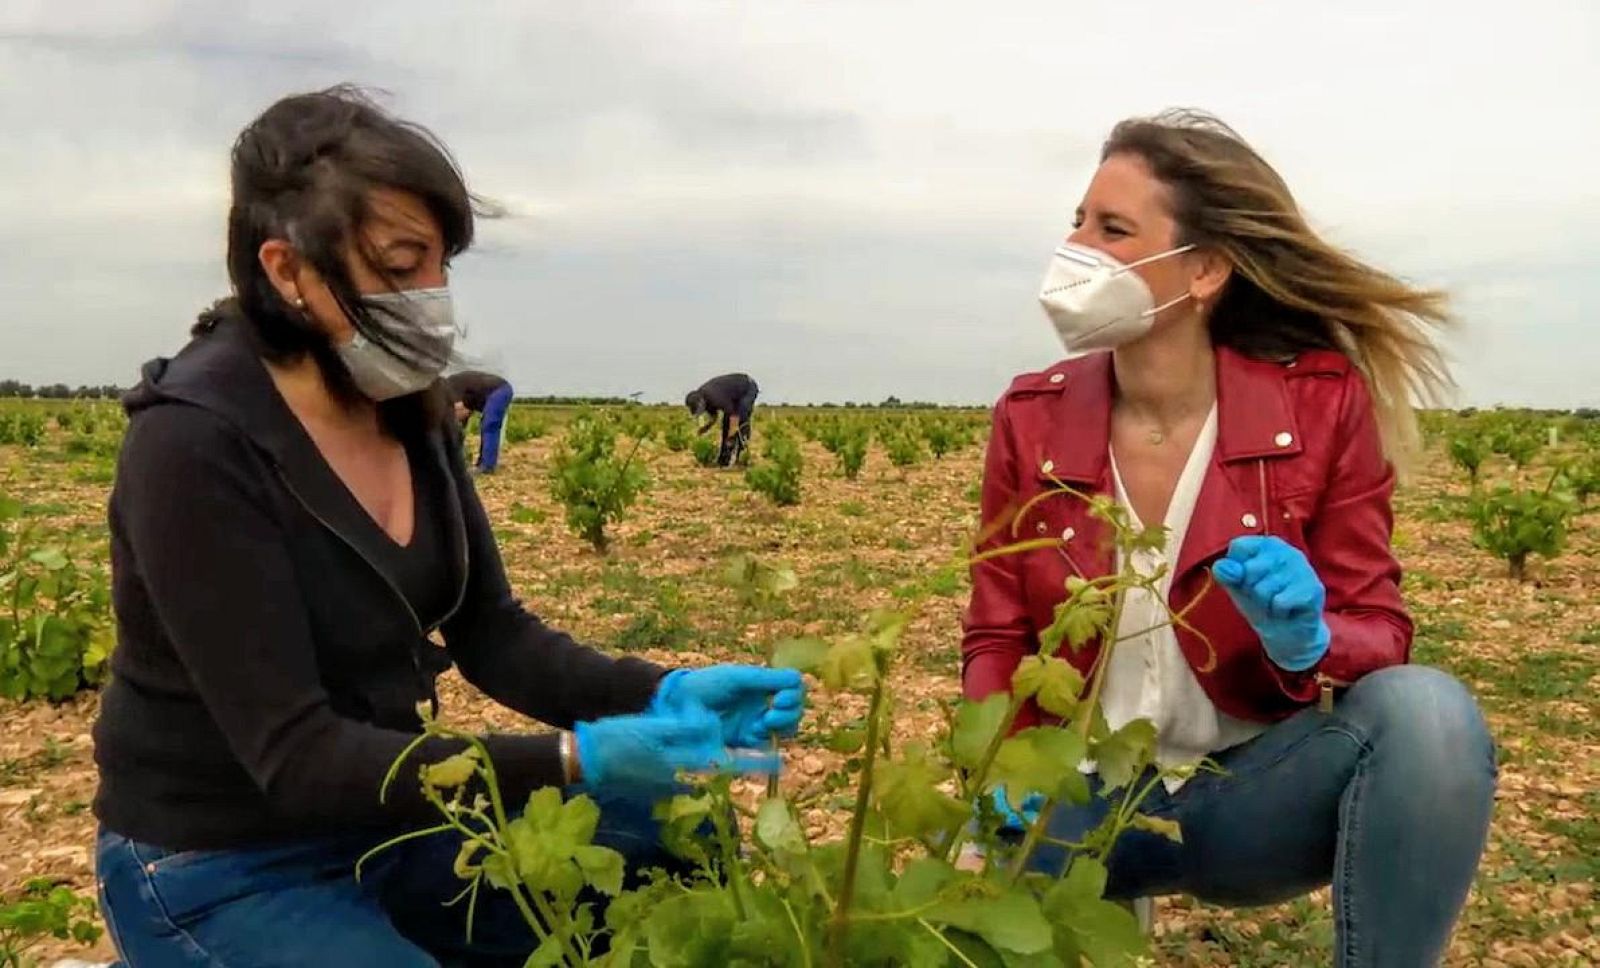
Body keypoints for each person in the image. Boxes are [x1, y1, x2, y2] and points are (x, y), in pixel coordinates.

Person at [90, 86, 805, 967]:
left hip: (392, 814)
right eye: (401, 266)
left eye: (439, 266)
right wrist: (574, 759)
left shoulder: (406, 409)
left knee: (672, 844)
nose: (432, 298)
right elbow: (299, 755)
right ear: (287, 270)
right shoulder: (194, 443)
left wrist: (661, 693)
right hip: (222, 856)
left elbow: (492, 633)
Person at [962, 110, 1495, 967]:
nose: (1075, 250)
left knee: (1429, 716)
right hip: (1078, 800)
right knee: (953, 919)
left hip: (1248, 793)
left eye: (1112, 230)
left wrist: (1308, 641)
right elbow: (997, 632)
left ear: (1204, 269)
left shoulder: (1319, 404)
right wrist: (1004, 762)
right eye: (1077, 222)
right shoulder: (1032, 416)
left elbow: (1381, 629)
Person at [445, 369, 514, 474]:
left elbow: (462, 412)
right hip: (493, 392)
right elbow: (462, 416)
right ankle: (482, 463)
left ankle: (487, 466)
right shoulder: (453, 389)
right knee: (486, 426)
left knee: (489, 426)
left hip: (498, 390)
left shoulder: (450, 389)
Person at [685, 372, 758, 467]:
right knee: (726, 425)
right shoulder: (704, 398)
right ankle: (723, 460)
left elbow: (734, 416)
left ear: (701, 403)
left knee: (741, 420)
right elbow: (714, 416)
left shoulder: (715, 397)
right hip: (733, 395)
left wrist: (731, 436)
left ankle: (741, 457)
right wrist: (706, 427)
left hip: (747, 388)